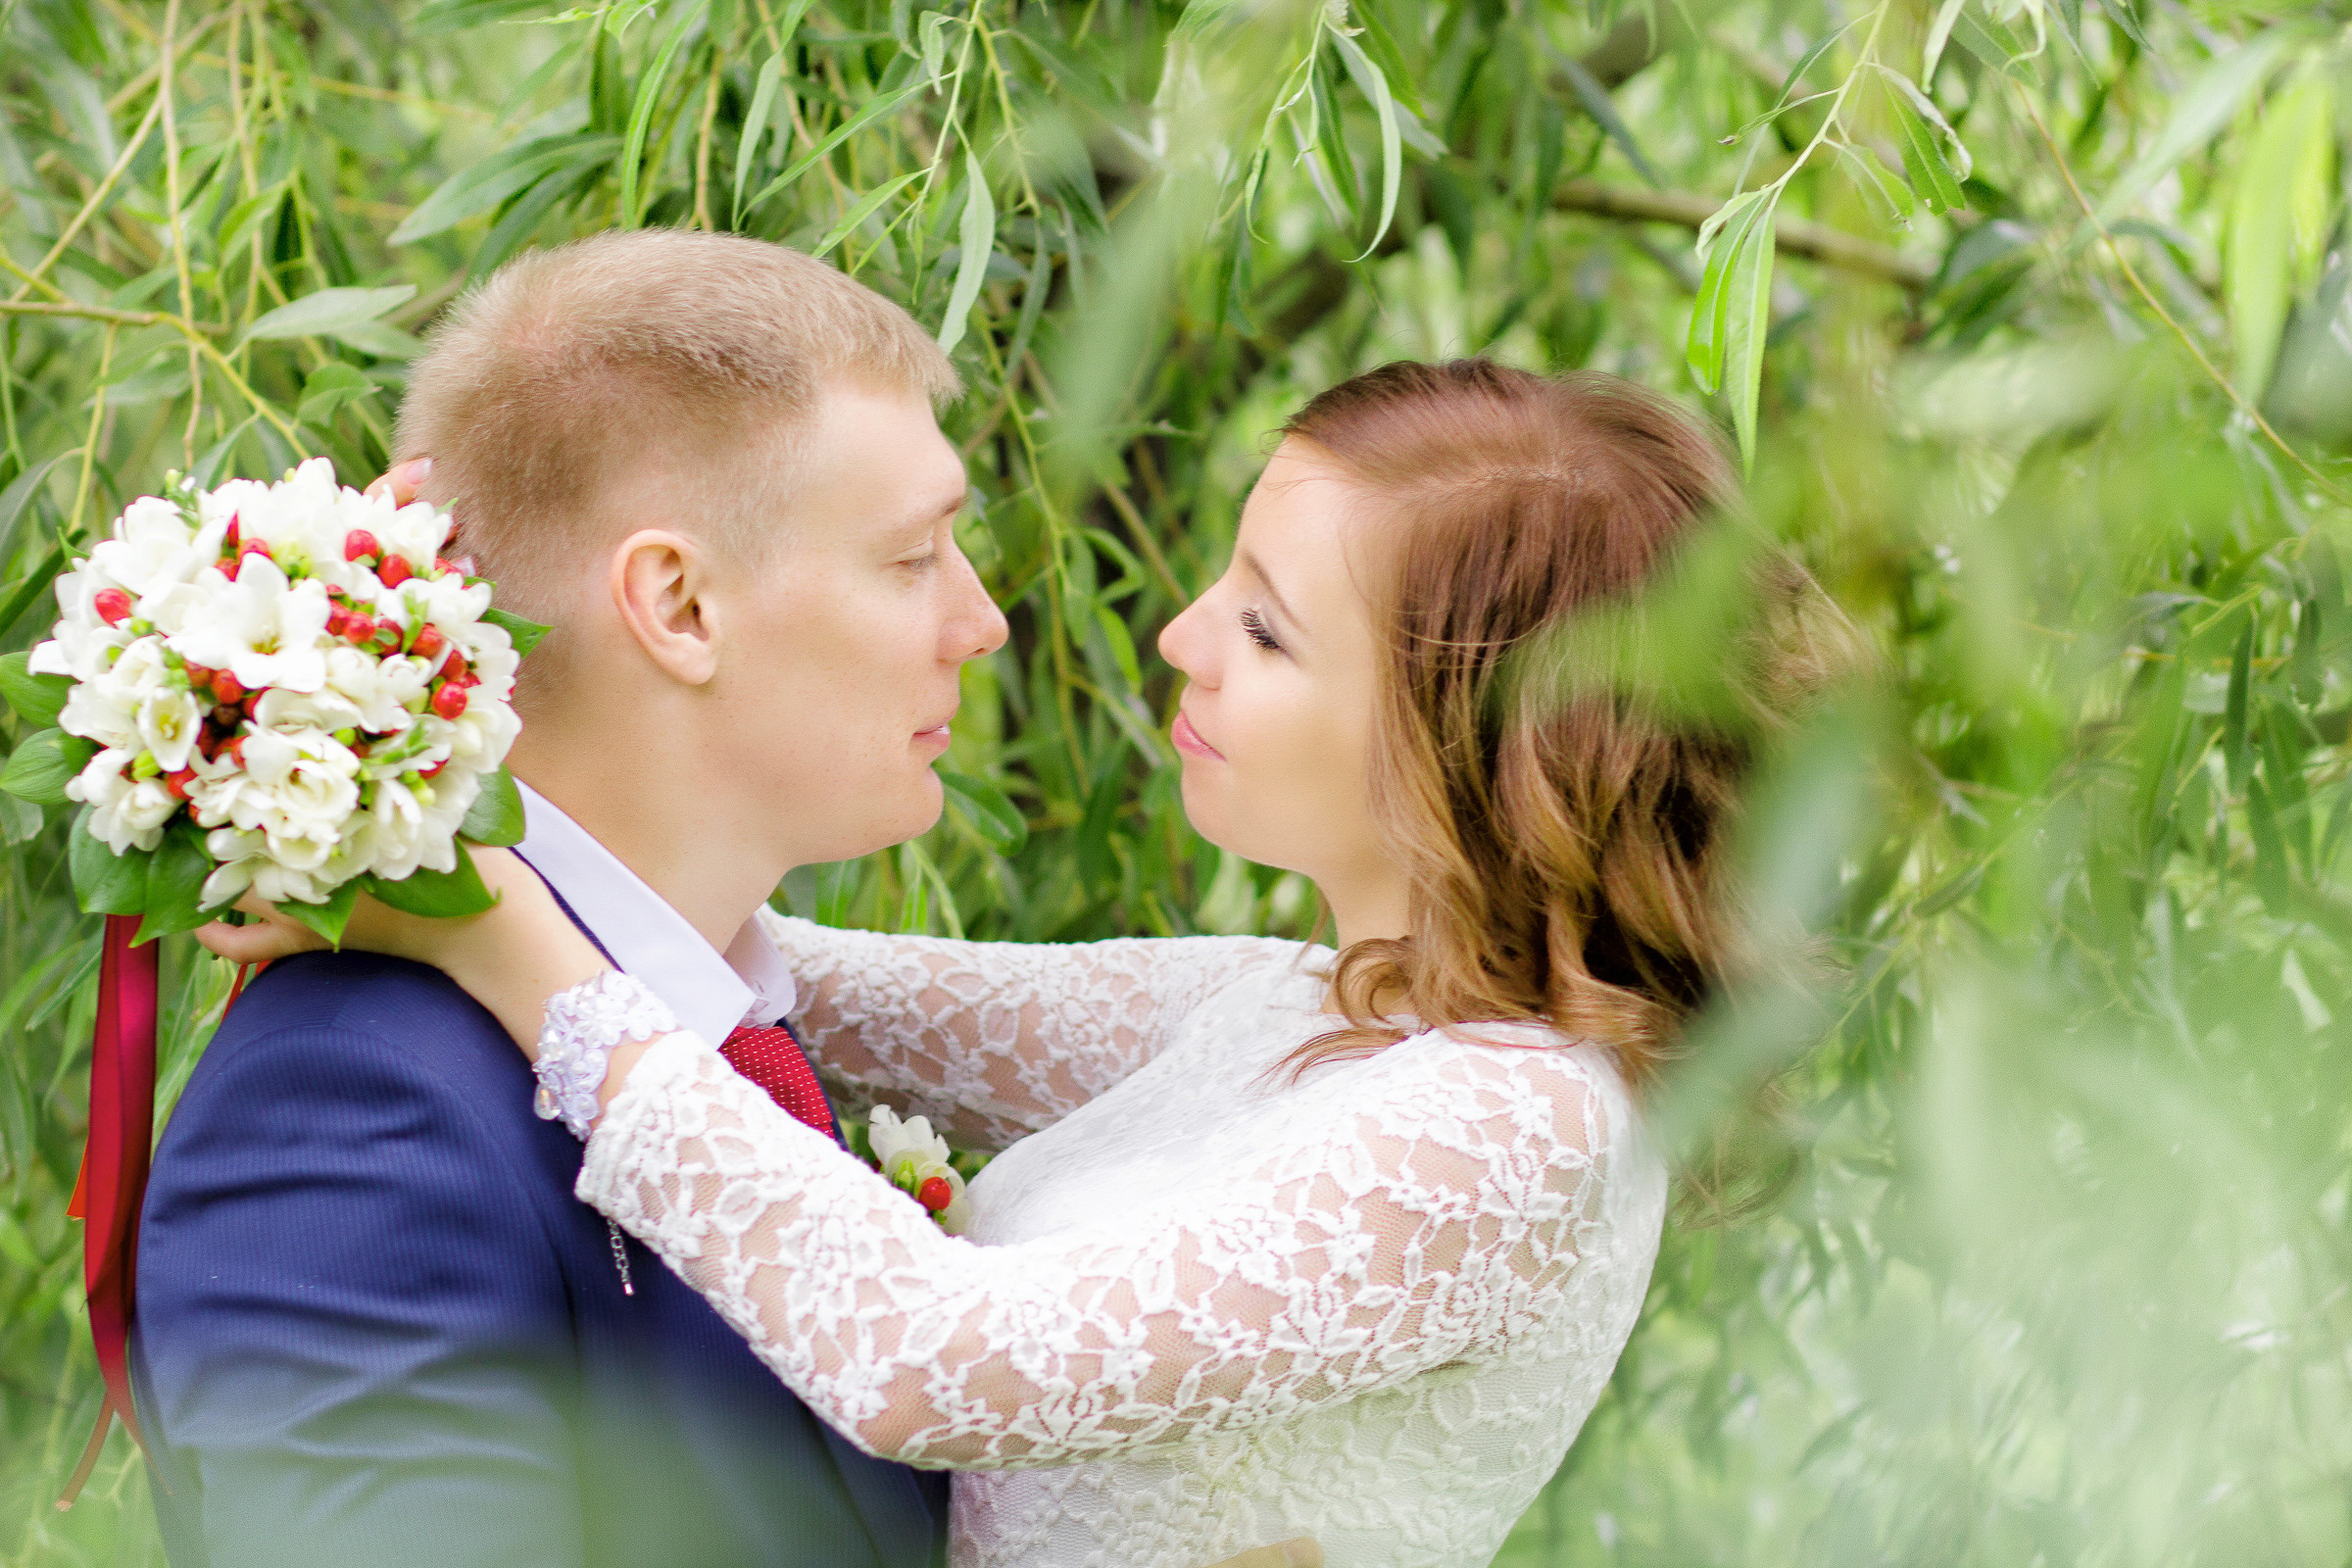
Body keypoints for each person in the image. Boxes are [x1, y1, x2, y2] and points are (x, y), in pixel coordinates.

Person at [212, 359, 1856, 1566]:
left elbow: (927, 1363)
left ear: (1491, 748)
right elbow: (785, 979)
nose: (1180, 635)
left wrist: (503, 940)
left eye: (1269, 630)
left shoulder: (1517, 1133)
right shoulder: (1286, 1006)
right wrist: (404, 738)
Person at [132, 226, 1304, 1568]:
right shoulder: (355, 1117)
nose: (980, 622)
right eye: (914, 558)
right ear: (679, 604)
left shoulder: (724, 1044)